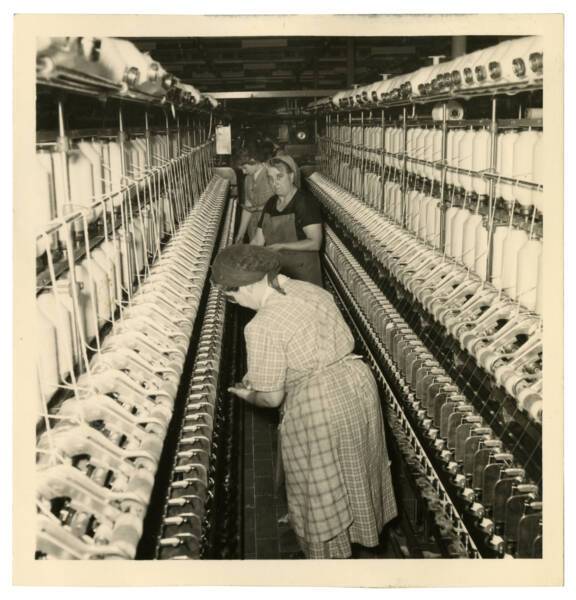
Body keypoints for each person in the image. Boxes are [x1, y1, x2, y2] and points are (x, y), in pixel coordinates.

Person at [211, 244, 397, 559]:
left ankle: (327, 567)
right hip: (357, 386)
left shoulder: (261, 326)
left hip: (318, 405)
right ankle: (355, 545)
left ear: (248, 285)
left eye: (232, 296)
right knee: (355, 473)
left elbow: (271, 397)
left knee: (319, 492)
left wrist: (248, 393)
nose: (236, 304)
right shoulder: (311, 291)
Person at [251, 156, 323, 286]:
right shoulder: (271, 203)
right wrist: (241, 256)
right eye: (270, 178)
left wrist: (282, 246)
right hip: (278, 273)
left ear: (291, 176)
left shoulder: (304, 202)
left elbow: (315, 242)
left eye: (279, 177)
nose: (274, 183)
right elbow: (258, 240)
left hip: (302, 276)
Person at [234, 144, 275, 244]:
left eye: (245, 168)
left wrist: (257, 208)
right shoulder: (248, 179)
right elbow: (248, 206)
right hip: (253, 229)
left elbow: (279, 204)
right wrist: (241, 234)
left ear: (253, 161)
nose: (243, 172)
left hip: (270, 229)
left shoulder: (270, 174)